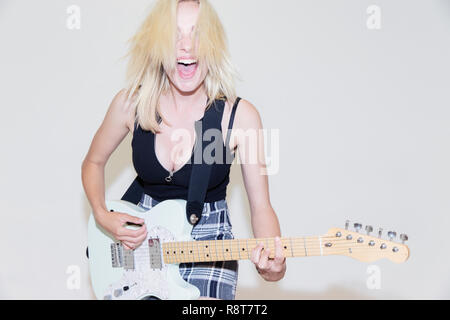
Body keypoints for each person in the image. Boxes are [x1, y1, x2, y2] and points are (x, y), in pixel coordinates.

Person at [81, 0, 285, 300]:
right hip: (143, 244)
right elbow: (93, 162)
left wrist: (273, 263)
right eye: (175, 35)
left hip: (209, 243)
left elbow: (261, 207)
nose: (186, 47)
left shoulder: (239, 117)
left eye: (197, 33)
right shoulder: (131, 104)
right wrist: (101, 214)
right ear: (157, 43)